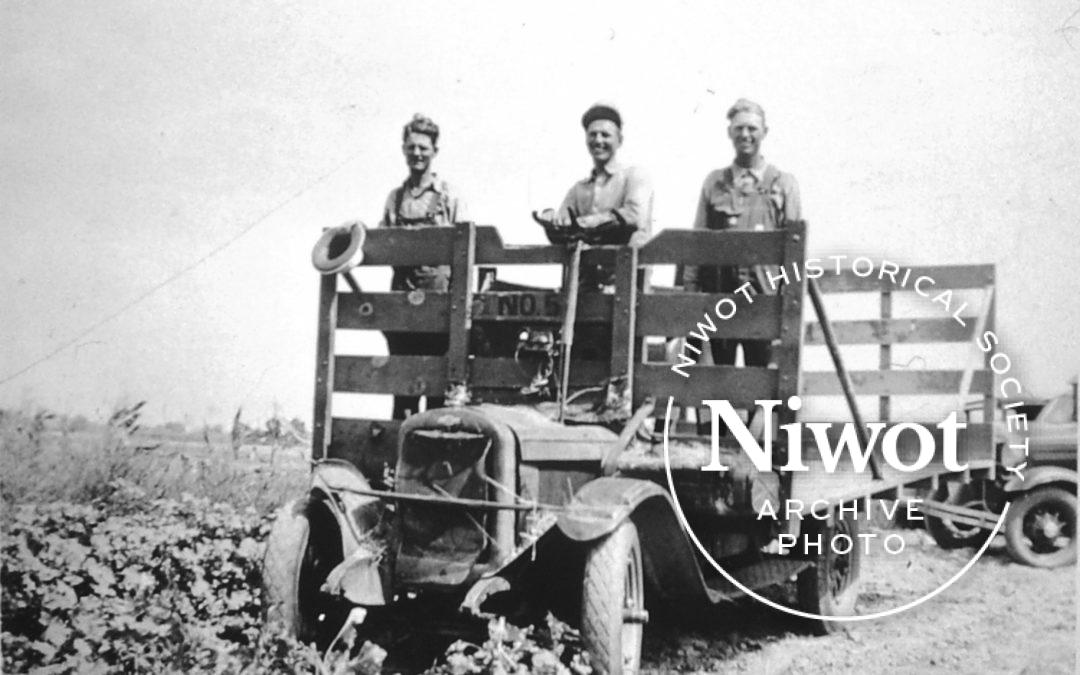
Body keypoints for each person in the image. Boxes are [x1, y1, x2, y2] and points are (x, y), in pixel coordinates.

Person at [682, 98, 801, 368]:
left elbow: (794, 252)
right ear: (729, 133)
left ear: (764, 132)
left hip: (763, 300)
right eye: (738, 129)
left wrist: (786, 306)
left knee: (759, 380)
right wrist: (691, 298)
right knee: (722, 379)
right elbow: (696, 244)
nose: (745, 135)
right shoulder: (715, 183)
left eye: (752, 129)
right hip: (720, 299)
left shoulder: (783, 184)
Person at [380, 113, 468, 419]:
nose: (417, 153)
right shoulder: (395, 199)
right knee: (402, 383)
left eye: (423, 148)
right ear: (404, 149)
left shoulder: (448, 196)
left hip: (439, 303)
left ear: (434, 151)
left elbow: (465, 248)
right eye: (412, 147)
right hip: (402, 302)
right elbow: (382, 243)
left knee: (435, 388)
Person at [537, 101, 654, 291]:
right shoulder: (579, 190)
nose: (598, 140)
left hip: (628, 287)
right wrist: (551, 221)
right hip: (585, 289)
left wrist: (586, 223)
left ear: (619, 140)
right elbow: (563, 229)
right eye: (593, 134)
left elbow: (634, 216)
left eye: (605, 135)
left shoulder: (634, 177)